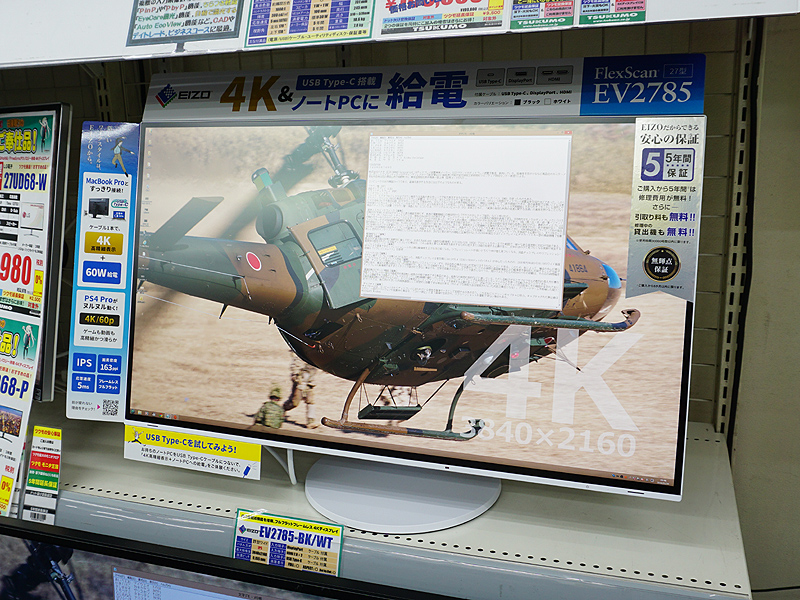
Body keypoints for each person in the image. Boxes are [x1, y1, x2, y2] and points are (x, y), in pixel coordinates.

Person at [284, 352, 319, 429]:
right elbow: (295, 369)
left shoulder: (315, 357)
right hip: (300, 383)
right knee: (294, 402)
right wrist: (299, 380)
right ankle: (282, 409)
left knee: (310, 401)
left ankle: (311, 422)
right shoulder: (300, 356)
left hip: (309, 383)